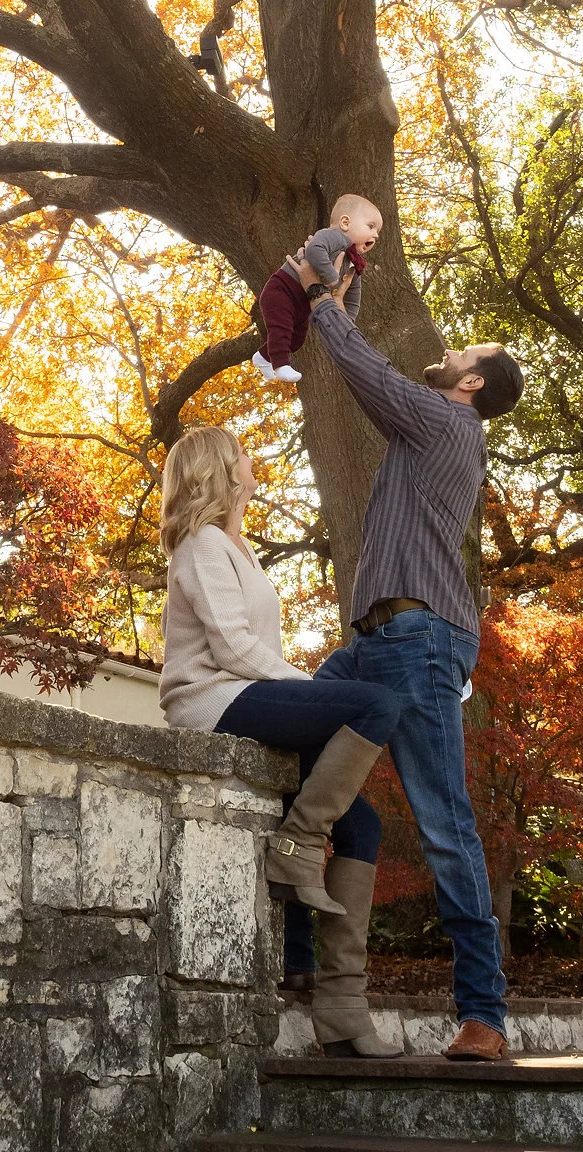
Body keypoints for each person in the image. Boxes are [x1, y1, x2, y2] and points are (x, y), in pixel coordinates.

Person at [290, 250, 525, 1062]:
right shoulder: (438, 426)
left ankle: (484, 1017)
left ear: (471, 385)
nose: (456, 351)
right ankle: (315, 953)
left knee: (444, 821)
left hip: (420, 643)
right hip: (376, 643)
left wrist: (325, 299)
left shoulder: (446, 419)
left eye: (469, 354)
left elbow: (369, 376)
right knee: (289, 742)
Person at [158, 426, 404, 1050]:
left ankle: (334, 995)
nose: (252, 459)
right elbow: (232, 648)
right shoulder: (201, 543)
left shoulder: (236, 546)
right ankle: (297, 840)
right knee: (376, 704)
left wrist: (309, 692)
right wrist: (313, 690)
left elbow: (253, 647)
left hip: (246, 692)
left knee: (364, 826)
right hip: (210, 699)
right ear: (221, 469)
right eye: (242, 452)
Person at [253, 193, 382, 383]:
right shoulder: (333, 236)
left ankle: (263, 357)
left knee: (296, 339)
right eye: (370, 226)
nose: (376, 234)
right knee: (281, 329)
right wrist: (331, 277)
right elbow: (314, 250)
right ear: (345, 223)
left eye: (377, 231)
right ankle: (280, 365)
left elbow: (353, 294)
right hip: (282, 290)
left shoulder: (352, 261)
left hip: (301, 305)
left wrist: (349, 319)